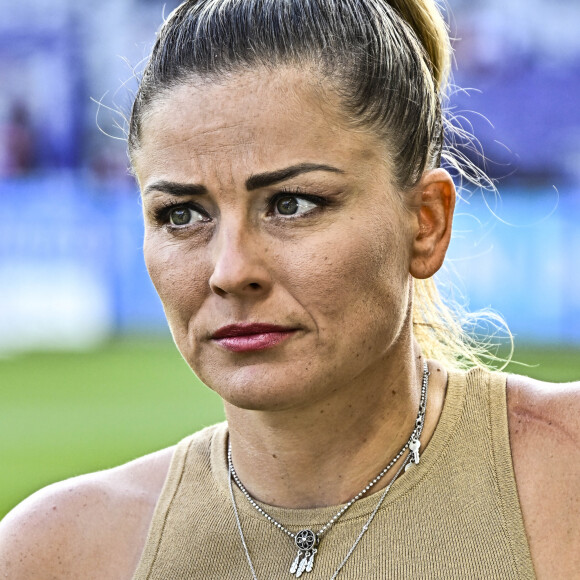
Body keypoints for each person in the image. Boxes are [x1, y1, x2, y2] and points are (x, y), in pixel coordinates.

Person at [0, 0, 578, 578]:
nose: (230, 271)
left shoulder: (564, 470)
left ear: (426, 223)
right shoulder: (54, 554)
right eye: (181, 215)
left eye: (291, 204)